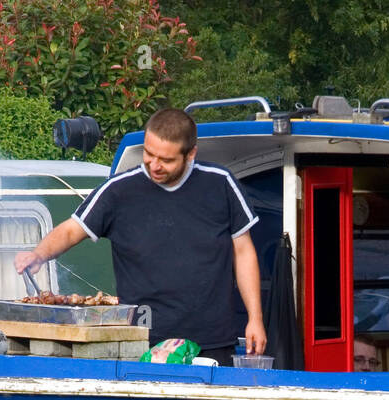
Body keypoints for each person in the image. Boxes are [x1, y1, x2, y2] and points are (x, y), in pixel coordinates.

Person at [15, 107, 266, 363]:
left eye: (166, 160)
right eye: (148, 154)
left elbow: (244, 252)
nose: (154, 165)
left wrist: (255, 319)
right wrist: (39, 254)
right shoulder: (118, 191)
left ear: (190, 154)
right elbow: (71, 230)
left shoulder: (220, 183)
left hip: (211, 341)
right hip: (143, 339)